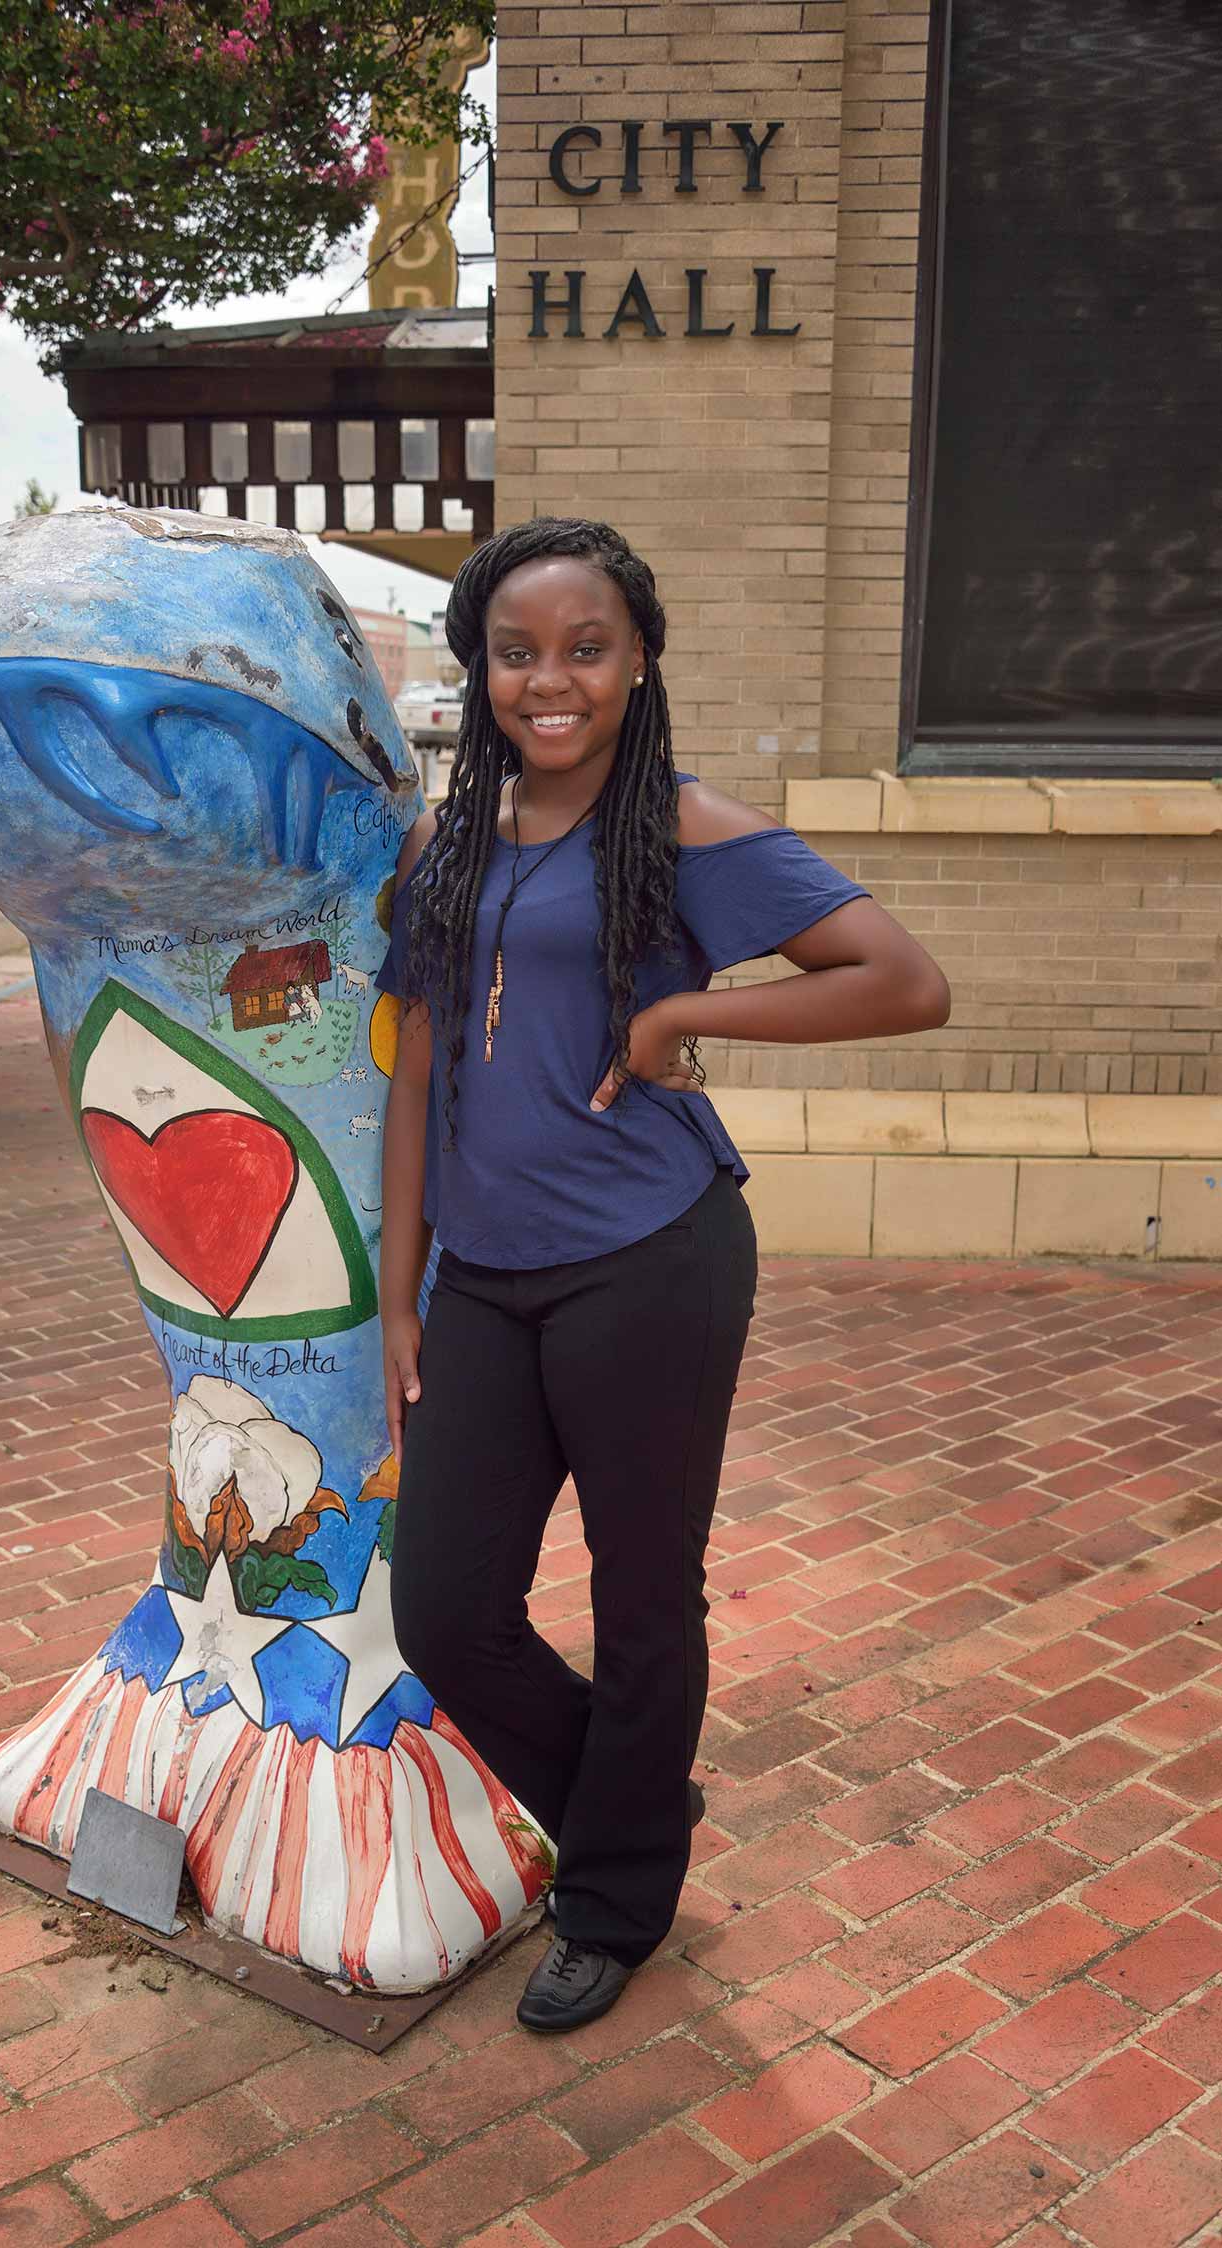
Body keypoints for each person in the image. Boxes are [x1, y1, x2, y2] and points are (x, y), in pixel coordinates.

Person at [374, 517, 950, 2032]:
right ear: (477, 667)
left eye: (584, 649)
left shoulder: (692, 830)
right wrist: (397, 1295)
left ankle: (616, 1900)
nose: (547, 680)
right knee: (446, 1612)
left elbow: (901, 980)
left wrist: (680, 1017)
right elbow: (417, 1062)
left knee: (644, 1600)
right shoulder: (443, 846)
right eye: (516, 652)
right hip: (485, 1283)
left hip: (651, 1262)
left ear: (638, 664)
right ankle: (636, 1816)